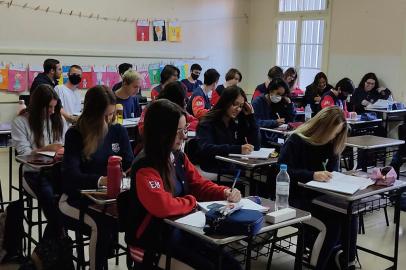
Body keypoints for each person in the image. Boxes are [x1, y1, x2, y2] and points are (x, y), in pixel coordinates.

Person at [125, 99, 242, 270]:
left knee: (230, 265)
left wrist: (224, 192)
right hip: (153, 242)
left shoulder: (177, 156)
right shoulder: (146, 165)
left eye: (185, 129)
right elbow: (162, 206)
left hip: (180, 232)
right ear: (161, 133)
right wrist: (191, 202)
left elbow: (199, 184)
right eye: (178, 131)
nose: (184, 136)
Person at [59, 85, 134, 270]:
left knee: (139, 217)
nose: (108, 119)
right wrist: (101, 180)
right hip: (76, 198)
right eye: (104, 115)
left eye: (111, 114)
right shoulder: (75, 134)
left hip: (109, 197)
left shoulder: (117, 131)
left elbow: (130, 162)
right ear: (92, 113)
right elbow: (71, 176)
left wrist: (124, 173)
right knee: (103, 225)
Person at [278, 106, 357, 270]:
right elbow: (282, 170)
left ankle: (346, 261)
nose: (333, 137)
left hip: (322, 197)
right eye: (332, 133)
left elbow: (333, 172)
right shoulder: (296, 140)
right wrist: (312, 175)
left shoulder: (331, 144)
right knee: (333, 224)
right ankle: (318, 265)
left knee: (351, 213)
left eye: (337, 134)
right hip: (296, 198)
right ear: (322, 127)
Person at [12, 84, 67, 240]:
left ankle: (53, 241)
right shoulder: (21, 121)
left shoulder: (57, 119)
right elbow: (24, 155)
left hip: (57, 169)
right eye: (48, 107)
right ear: (36, 105)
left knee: (72, 193)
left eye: (54, 107)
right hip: (33, 172)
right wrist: (46, 148)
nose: (51, 111)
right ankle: (59, 238)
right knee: (50, 197)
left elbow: (64, 144)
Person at [196, 86, 260, 173]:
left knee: (260, 172)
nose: (238, 109)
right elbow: (206, 148)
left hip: (232, 165)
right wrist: (238, 149)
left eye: (241, 106)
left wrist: (251, 117)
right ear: (225, 102)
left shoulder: (235, 122)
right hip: (213, 167)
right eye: (234, 104)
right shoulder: (207, 122)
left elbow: (256, 146)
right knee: (252, 177)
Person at [252, 78, 295, 145]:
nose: (279, 97)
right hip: (261, 139)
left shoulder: (278, 103)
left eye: (282, 95)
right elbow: (255, 122)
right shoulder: (257, 102)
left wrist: (290, 105)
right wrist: (274, 122)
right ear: (271, 91)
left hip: (274, 137)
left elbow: (290, 120)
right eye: (278, 93)